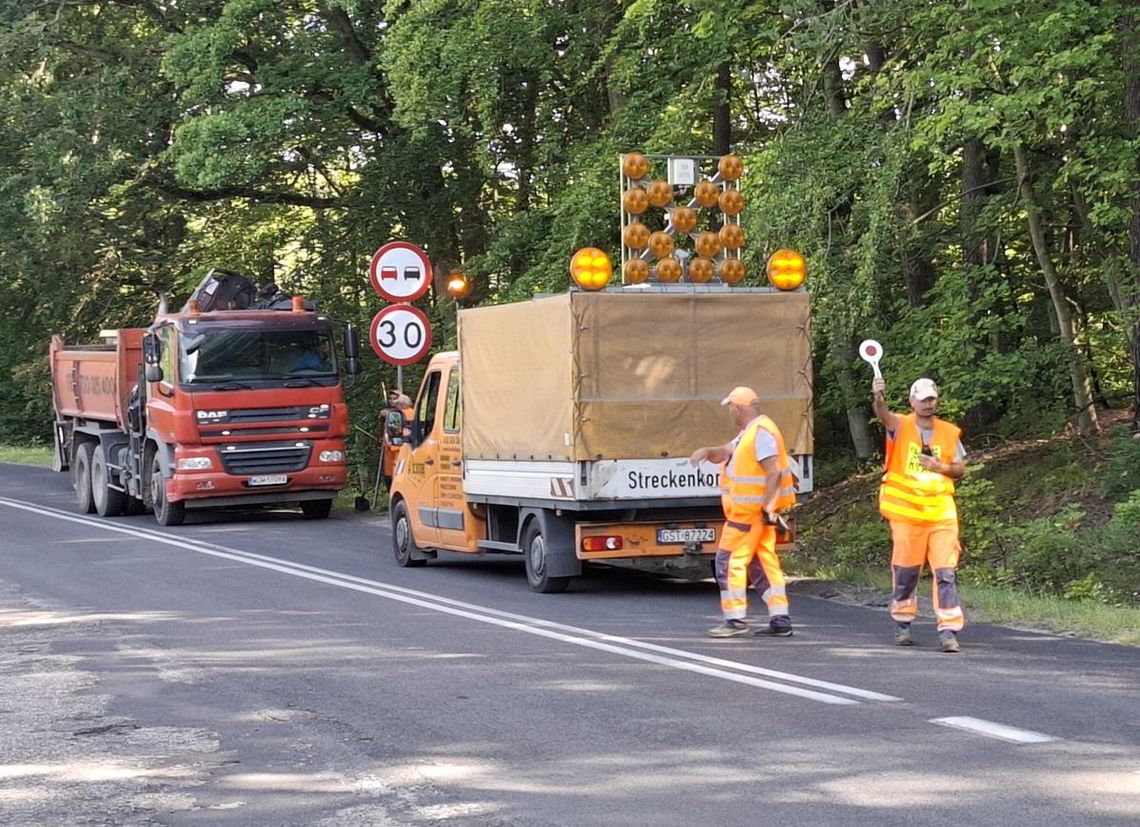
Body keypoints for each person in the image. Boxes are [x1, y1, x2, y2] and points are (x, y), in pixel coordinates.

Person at [690, 386, 798, 638]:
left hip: (747, 515)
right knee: (762, 564)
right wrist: (706, 452)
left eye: (730, 407)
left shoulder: (761, 433)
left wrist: (768, 506)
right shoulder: (750, 433)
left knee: (728, 562)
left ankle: (735, 620)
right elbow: (726, 451)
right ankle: (780, 619)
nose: (730, 412)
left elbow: (774, 471)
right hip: (756, 516)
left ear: (738, 408)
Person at [872, 376, 968, 653]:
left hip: (941, 514)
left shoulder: (949, 432)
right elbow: (883, 414)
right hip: (906, 514)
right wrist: (879, 396)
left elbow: (959, 468)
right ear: (912, 401)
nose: (928, 404)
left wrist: (941, 466)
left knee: (946, 572)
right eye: (922, 399)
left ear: (937, 400)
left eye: (932, 398)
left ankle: (948, 631)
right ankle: (902, 624)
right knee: (906, 571)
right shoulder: (900, 425)